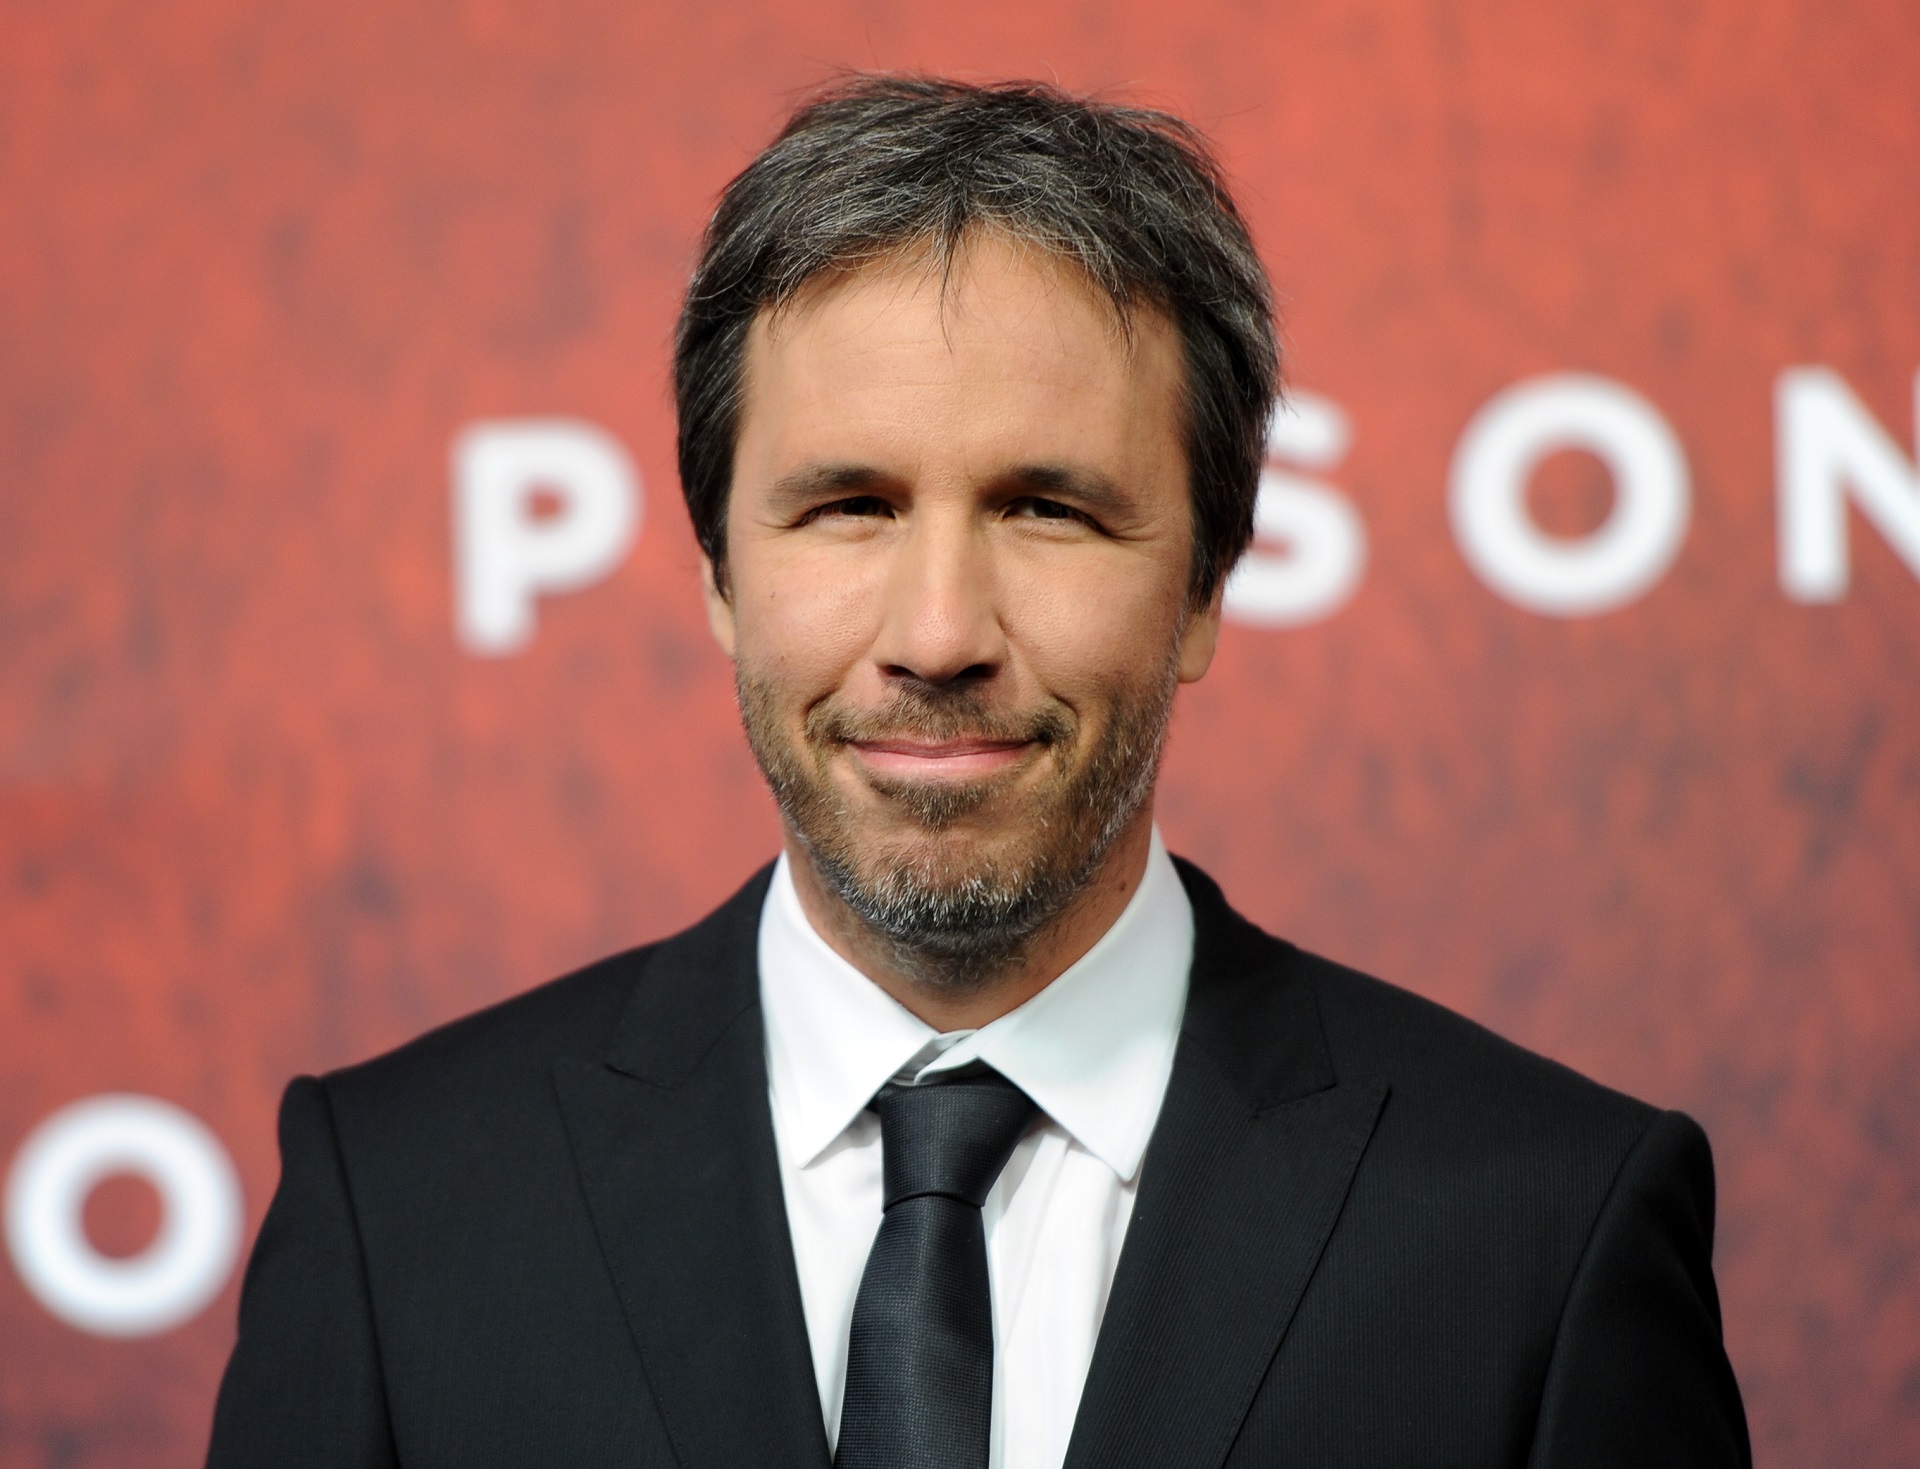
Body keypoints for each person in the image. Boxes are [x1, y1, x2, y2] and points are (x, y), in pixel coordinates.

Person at [207, 76, 1750, 1469]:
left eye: (1048, 509)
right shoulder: (397, 1209)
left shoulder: (1544, 1230)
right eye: (849, 506)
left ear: (1206, 586)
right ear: (720, 573)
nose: (938, 634)